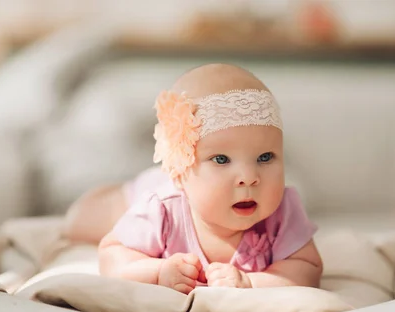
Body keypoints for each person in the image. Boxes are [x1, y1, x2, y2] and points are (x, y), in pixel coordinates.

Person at [63, 63, 323, 294]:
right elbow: (112, 257)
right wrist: (158, 271)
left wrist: (252, 283)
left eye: (265, 157)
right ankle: (100, 200)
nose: (249, 177)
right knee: (81, 224)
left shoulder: (283, 210)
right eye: (221, 159)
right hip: (143, 191)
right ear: (180, 170)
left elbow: (307, 269)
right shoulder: (161, 208)